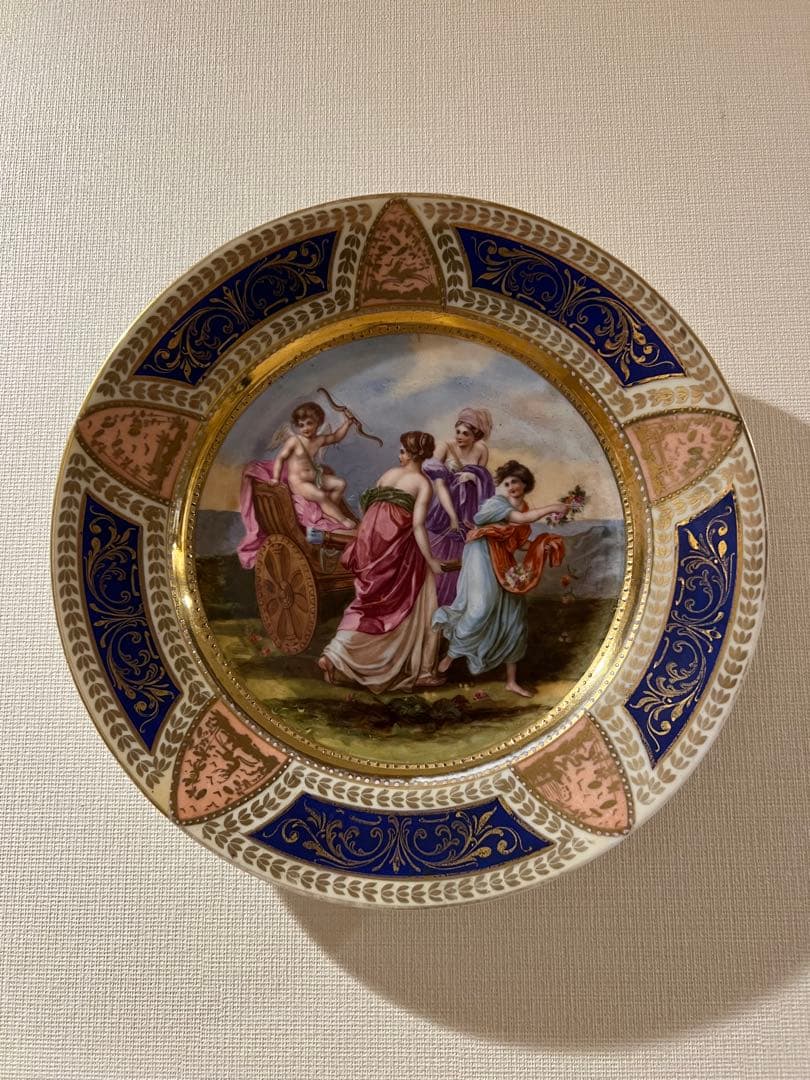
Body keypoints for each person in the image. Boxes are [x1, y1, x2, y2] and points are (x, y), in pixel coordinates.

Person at [319, 432, 444, 692]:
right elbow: (418, 526)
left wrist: (376, 535)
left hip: (371, 546)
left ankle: (334, 653)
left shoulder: (388, 475)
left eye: (402, 451)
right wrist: (431, 560)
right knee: (418, 599)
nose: (399, 455)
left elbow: (368, 508)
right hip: (398, 551)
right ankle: (422, 670)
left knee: (368, 605)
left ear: (412, 453)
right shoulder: (422, 483)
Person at [432, 460, 568, 697]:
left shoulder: (523, 509)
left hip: (503, 559)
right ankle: (452, 653)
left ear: (525, 484)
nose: (511, 486)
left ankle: (511, 681)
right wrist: (554, 507)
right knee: (480, 608)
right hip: (481, 553)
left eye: (516, 481)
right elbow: (520, 519)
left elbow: (518, 543)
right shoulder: (497, 504)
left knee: (513, 615)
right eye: (507, 482)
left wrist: (539, 546)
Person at [423, 407, 495, 604]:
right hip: (445, 506)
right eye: (458, 432)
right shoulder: (444, 446)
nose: (460, 437)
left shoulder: (481, 449)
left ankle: (457, 603)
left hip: (469, 508)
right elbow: (437, 482)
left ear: (475, 436)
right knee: (439, 550)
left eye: (465, 433)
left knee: (464, 554)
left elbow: (484, 481)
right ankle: (432, 601)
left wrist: (474, 476)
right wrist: (452, 515)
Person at [270, 402, 356, 529]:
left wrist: (348, 423)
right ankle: (343, 520)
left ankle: (328, 513)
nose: (305, 428)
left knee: (340, 484)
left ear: (318, 423)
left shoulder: (319, 440)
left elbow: (336, 437)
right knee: (320, 495)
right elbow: (280, 458)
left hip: (314, 477)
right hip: (298, 482)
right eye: (301, 425)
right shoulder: (295, 441)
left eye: (309, 423)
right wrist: (275, 478)